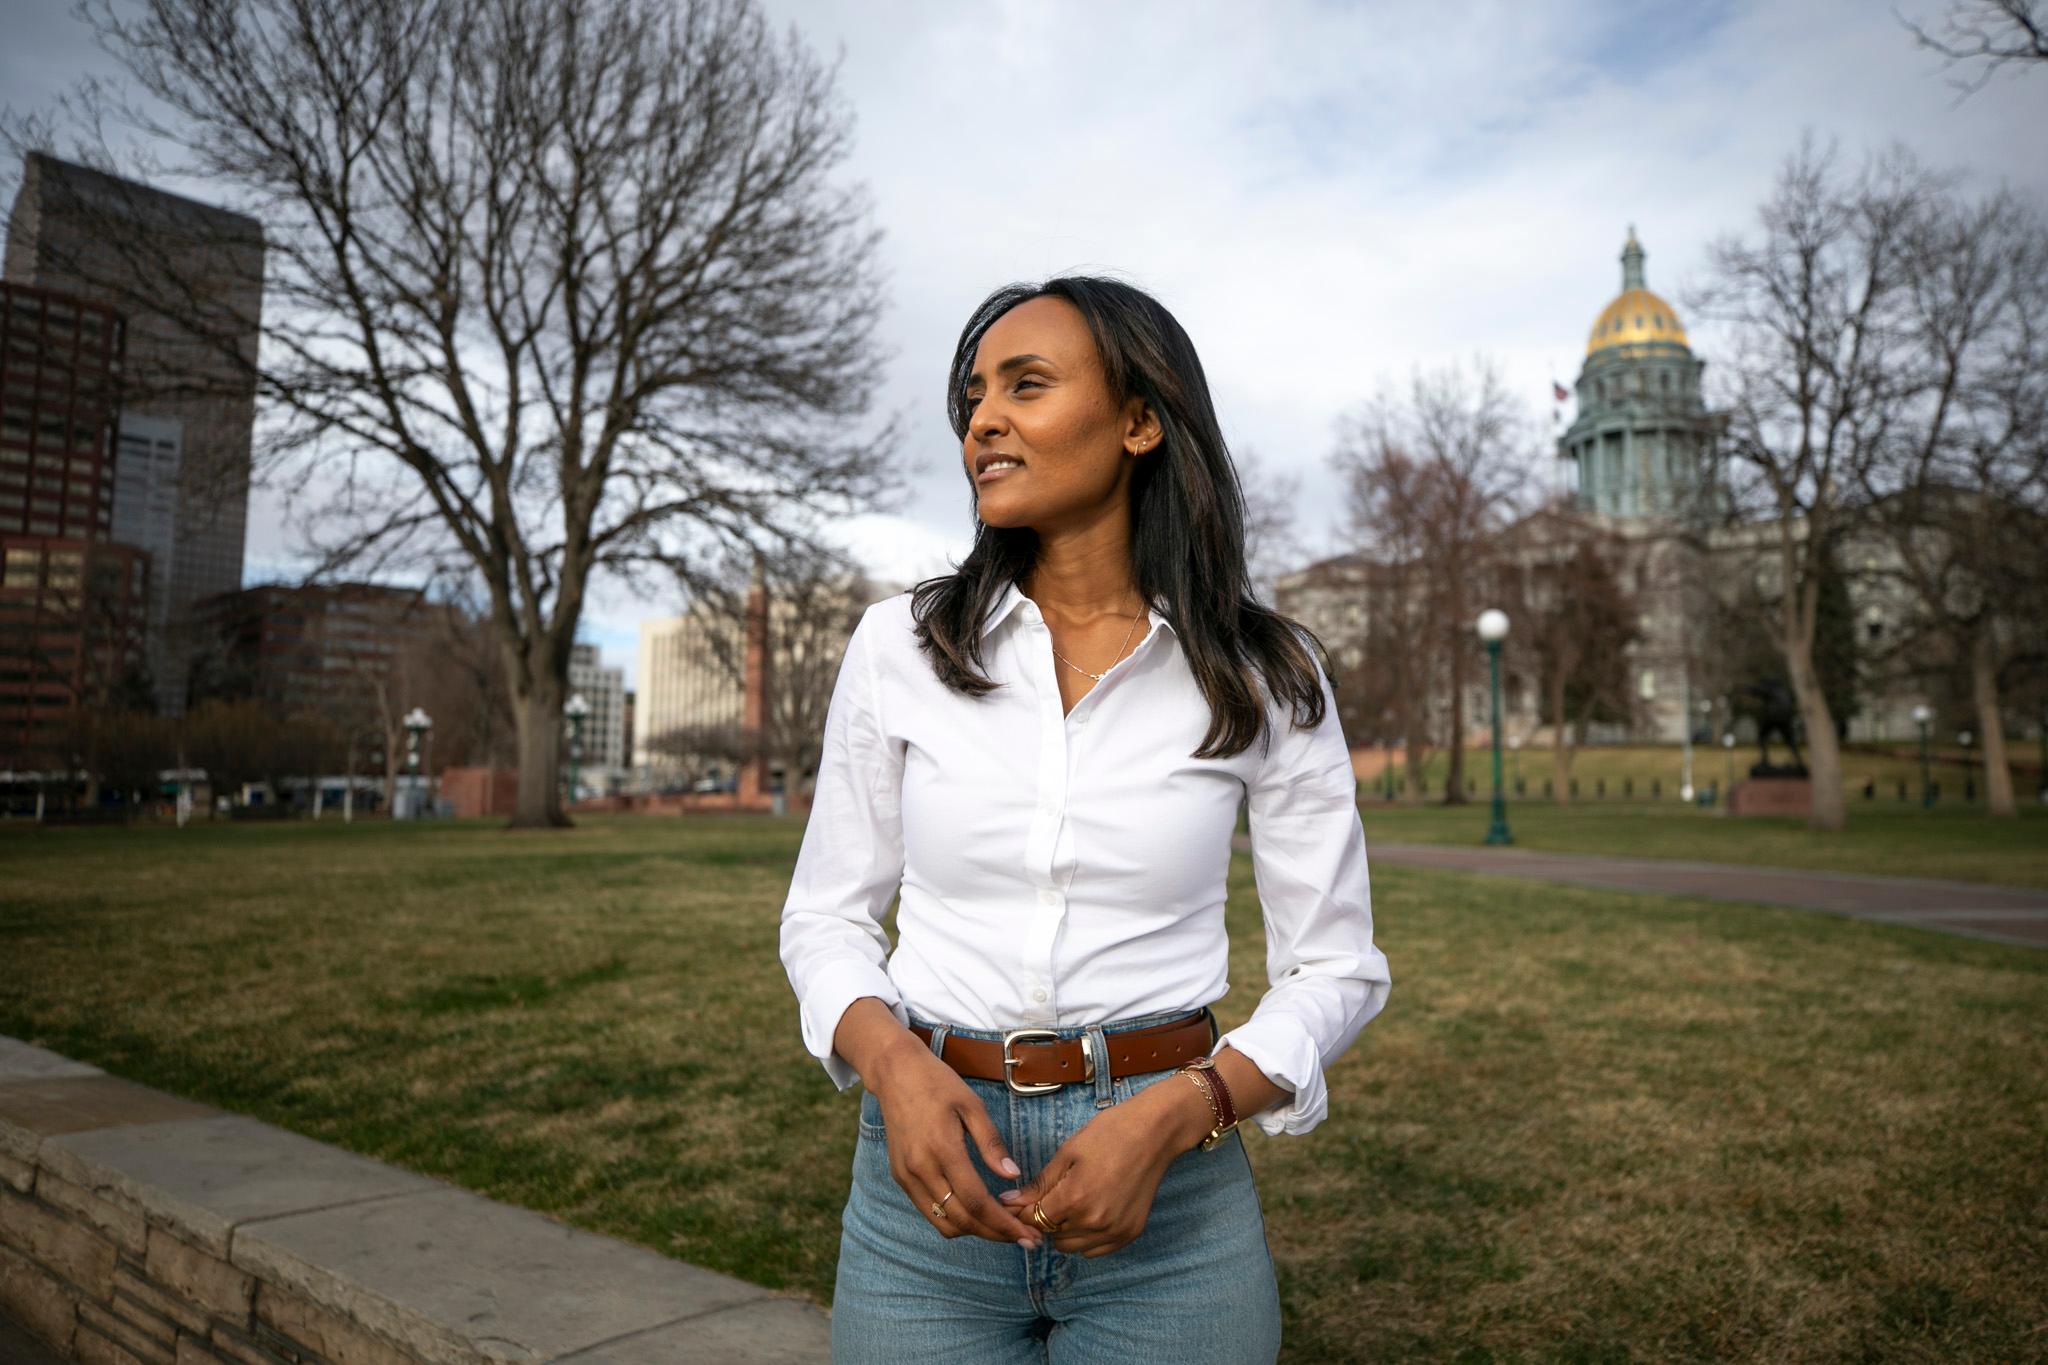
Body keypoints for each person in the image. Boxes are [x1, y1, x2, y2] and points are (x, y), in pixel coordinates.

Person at [779, 275, 1390, 1363]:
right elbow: (825, 918)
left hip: (1172, 1201)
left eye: (1026, 385)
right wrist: (895, 1069)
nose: (982, 421)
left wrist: (1178, 1113)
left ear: (1140, 421)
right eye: (973, 395)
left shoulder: (1261, 672)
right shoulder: (898, 647)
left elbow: (1335, 966)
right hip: (924, 1196)